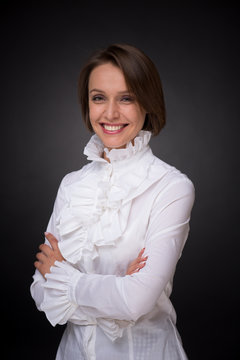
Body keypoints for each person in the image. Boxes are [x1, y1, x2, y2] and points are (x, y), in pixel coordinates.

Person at [30, 43, 195, 360]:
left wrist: (69, 281)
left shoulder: (172, 187)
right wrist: (116, 288)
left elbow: (135, 302)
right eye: (98, 98)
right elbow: (41, 292)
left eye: (127, 98)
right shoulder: (71, 185)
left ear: (148, 102)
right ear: (87, 104)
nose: (110, 113)